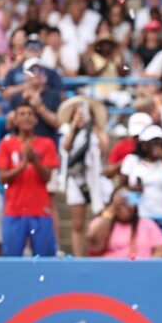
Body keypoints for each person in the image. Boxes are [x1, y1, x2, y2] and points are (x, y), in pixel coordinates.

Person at [0, 102, 59, 257]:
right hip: (14, 210)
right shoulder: (6, 144)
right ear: (15, 119)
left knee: (45, 260)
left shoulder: (47, 144)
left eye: (30, 114)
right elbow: (3, 178)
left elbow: (47, 177)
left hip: (40, 211)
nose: (26, 117)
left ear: (36, 119)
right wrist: (24, 163)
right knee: (11, 260)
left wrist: (34, 161)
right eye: (22, 114)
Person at [57, 97, 112, 257]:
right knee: (78, 223)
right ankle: (78, 256)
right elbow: (65, 148)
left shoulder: (97, 131)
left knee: (98, 221)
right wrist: (75, 126)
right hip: (76, 180)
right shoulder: (69, 130)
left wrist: (92, 127)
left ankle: (97, 253)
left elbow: (105, 148)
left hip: (96, 180)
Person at [120, 125, 162, 248]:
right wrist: (133, 190)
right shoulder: (131, 160)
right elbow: (121, 188)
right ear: (144, 145)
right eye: (153, 142)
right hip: (139, 216)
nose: (157, 146)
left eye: (160, 142)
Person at [87, 187, 162, 258]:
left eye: (129, 202)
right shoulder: (100, 221)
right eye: (121, 203)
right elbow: (94, 245)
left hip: (142, 272)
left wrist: (148, 268)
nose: (125, 206)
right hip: (109, 271)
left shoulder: (146, 223)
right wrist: (112, 207)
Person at [6, 58, 61, 141]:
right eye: (32, 70)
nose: (36, 73)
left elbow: (58, 124)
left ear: (44, 74)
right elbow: (9, 126)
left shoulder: (54, 95)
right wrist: (24, 102)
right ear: (25, 75)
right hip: (20, 142)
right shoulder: (17, 97)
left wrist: (40, 107)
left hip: (47, 142)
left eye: (40, 70)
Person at [104, 112, 153, 180]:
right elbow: (108, 172)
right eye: (135, 136)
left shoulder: (157, 148)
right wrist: (124, 163)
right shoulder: (122, 145)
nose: (138, 139)